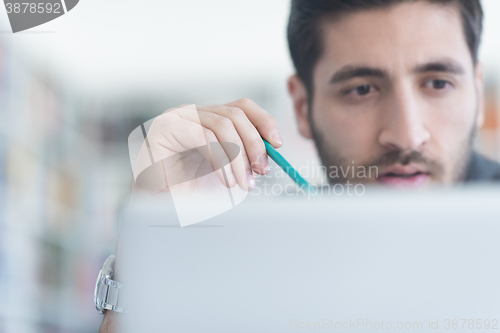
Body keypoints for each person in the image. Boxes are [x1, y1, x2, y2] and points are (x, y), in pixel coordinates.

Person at [99, 0, 500, 331]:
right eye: (361, 89)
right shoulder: (262, 255)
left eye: (438, 83)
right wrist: (150, 252)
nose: (407, 134)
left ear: (478, 94)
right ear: (302, 107)